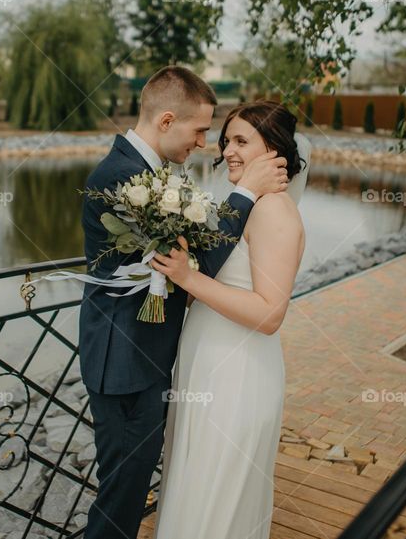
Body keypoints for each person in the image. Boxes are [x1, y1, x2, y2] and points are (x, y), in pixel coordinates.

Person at [78, 67, 289, 539]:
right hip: (125, 368)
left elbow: (189, 263)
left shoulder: (151, 176)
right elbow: (202, 264)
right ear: (168, 120)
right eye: (200, 131)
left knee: (128, 496)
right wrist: (246, 192)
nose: (203, 143)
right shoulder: (120, 179)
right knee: (120, 500)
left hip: (147, 360)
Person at [149, 100, 308, 539]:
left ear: (274, 149)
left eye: (241, 140)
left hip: (237, 376)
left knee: (216, 498)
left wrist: (186, 277)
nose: (228, 151)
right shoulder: (249, 205)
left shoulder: (274, 211)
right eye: (226, 140)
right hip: (209, 367)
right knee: (195, 487)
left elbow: (270, 313)